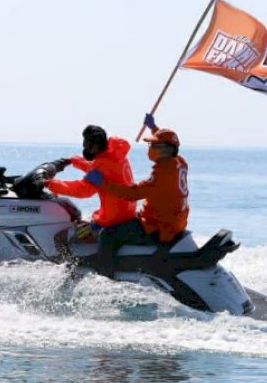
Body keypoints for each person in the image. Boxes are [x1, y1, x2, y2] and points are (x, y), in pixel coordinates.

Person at [84, 113, 189, 276]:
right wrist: (153, 127)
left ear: (166, 150)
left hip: (159, 227)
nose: (150, 148)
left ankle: (105, 277)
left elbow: (131, 194)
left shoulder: (162, 173)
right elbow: (169, 141)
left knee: (108, 235)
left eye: (154, 145)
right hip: (175, 221)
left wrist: (101, 183)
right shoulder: (179, 162)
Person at [45, 125, 137, 239]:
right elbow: (96, 168)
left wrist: (49, 183)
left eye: (86, 143)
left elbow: (82, 190)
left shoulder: (102, 164)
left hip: (112, 220)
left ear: (95, 145)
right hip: (127, 214)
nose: (83, 146)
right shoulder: (116, 154)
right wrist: (73, 161)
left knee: (63, 237)